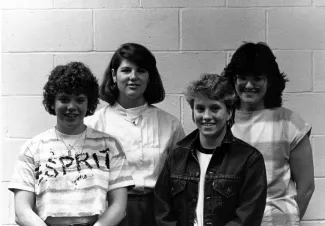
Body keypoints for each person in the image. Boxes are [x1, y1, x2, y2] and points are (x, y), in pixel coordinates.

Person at [8, 62, 134, 226]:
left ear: (89, 103)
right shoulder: (32, 148)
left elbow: (119, 207)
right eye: (64, 99)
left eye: (80, 100)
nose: (72, 107)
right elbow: (21, 211)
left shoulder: (110, 146)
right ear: (52, 102)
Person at [85, 43, 185, 226]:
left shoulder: (170, 124)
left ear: (149, 77)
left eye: (141, 71)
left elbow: (180, 178)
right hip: (111, 211)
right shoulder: (94, 124)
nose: (133, 77)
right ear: (114, 75)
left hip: (159, 212)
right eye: (126, 70)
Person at [154, 74, 267, 226]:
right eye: (200, 109)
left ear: (229, 113)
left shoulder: (249, 159)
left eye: (214, 108)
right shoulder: (176, 156)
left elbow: (248, 217)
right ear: (193, 113)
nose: (206, 116)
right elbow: (162, 211)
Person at [223, 42, 315, 225]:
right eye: (242, 77)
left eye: (257, 78)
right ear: (234, 80)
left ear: (269, 80)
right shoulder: (221, 120)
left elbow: (306, 187)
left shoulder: (290, 122)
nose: (249, 85)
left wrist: (289, 221)